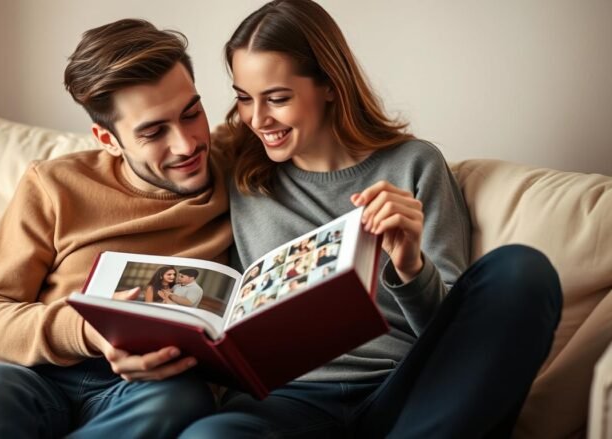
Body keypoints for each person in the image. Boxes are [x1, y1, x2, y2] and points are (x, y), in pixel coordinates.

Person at [180, 1, 562, 438]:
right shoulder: (236, 168)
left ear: (329, 84)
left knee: (522, 270)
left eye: (278, 98)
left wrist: (411, 265)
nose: (258, 119)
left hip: (405, 391)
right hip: (286, 404)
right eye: (244, 98)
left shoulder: (414, 166)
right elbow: (142, 165)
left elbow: (455, 331)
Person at [0, 19, 233, 438]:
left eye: (192, 113)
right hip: (39, 374)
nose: (187, 145)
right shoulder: (55, 185)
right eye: (153, 132)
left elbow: (323, 134)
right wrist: (87, 331)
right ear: (107, 139)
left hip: (146, 389)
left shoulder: (236, 160)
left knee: (184, 399)